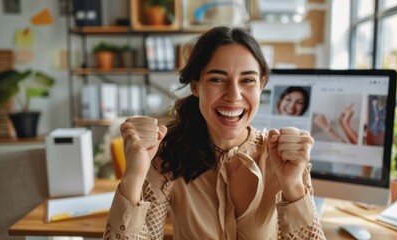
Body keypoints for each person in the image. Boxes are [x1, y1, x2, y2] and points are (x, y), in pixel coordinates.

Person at [103, 26, 326, 240]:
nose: (234, 95)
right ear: (195, 86)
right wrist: (134, 174)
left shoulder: (283, 158)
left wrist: (293, 185)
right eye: (217, 79)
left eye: (248, 80)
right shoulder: (168, 154)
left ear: (261, 85)